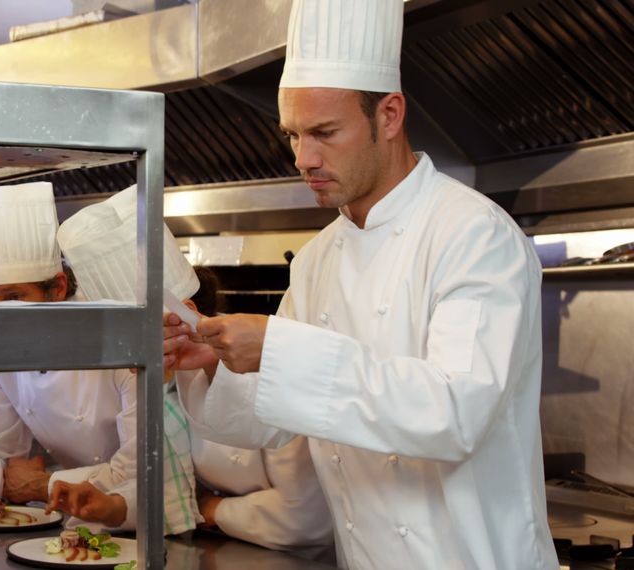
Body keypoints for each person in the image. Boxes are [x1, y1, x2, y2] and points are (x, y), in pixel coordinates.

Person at [163, 1, 559, 568]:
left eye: (325, 132)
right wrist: (213, 361)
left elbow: (453, 412)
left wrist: (276, 349)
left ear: (390, 115)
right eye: (293, 135)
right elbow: (273, 422)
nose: (304, 158)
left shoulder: (475, 236)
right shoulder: (318, 259)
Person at [0, 182, 199, 535]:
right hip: (80, 519)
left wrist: (42, 484)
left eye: (15, 295)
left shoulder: (120, 344)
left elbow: (138, 470)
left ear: (59, 288)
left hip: (140, 516)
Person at [185, 267, 334, 552]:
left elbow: (305, 516)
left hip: (299, 557)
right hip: (221, 545)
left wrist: (216, 509)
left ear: (188, 310)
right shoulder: (170, 380)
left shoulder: (253, 364)